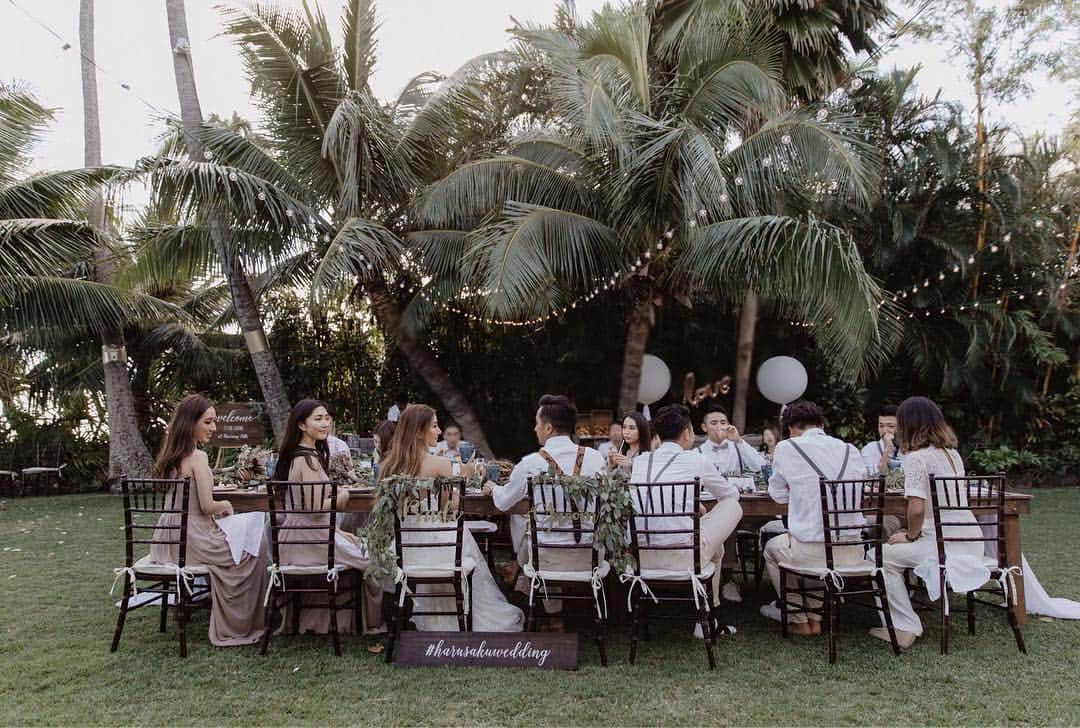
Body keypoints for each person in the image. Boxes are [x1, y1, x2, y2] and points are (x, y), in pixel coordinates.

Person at [382, 404, 523, 632]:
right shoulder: (441, 464)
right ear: (419, 431)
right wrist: (467, 475)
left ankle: (428, 618)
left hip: (406, 549)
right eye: (435, 426)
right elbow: (452, 507)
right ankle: (462, 617)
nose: (438, 432)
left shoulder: (389, 466)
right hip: (444, 546)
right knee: (463, 541)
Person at [148, 394, 268, 646]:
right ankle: (241, 621)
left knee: (245, 537)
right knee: (255, 544)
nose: (213, 428)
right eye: (208, 422)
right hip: (193, 540)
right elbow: (207, 506)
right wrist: (225, 505)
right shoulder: (197, 458)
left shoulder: (171, 455)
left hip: (166, 540)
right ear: (190, 423)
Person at [874, 396, 984, 649]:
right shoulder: (952, 454)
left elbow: (916, 508)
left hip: (943, 545)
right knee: (891, 552)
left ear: (908, 424)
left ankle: (905, 626)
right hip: (971, 541)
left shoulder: (917, 458)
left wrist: (910, 535)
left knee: (878, 557)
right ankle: (906, 616)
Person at [273, 399, 384, 644]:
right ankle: (372, 623)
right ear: (302, 425)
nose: (325, 423)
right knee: (376, 558)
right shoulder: (307, 459)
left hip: (303, 536)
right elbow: (314, 509)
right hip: (309, 539)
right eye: (318, 418)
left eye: (326, 417)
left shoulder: (304, 454)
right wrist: (341, 497)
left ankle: (335, 619)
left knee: (362, 542)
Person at [486, 395, 606, 613]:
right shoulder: (596, 458)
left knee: (530, 528)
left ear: (548, 428)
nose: (534, 428)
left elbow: (503, 502)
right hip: (589, 553)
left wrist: (492, 488)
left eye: (537, 423)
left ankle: (551, 612)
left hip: (547, 556)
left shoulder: (531, 463)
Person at [628, 404, 743, 631]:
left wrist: (692, 506)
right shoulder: (695, 460)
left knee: (715, 549)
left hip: (642, 555)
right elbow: (730, 495)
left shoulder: (640, 461)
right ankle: (708, 619)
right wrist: (703, 512)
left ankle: (710, 618)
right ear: (688, 433)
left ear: (658, 435)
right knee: (732, 506)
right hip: (686, 555)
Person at [759, 401, 867, 635]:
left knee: (775, 547)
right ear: (822, 425)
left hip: (813, 552)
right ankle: (816, 617)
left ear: (790, 429)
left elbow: (777, 495)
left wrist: (800, 493)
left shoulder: (787, 448)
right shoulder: (850, 449)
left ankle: (798, 618)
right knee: (812, 541)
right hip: (855, 551)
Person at [695, 405, 768, 474]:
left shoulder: (738, 447)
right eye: (714, 423)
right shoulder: (697, 452)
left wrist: (739, 440)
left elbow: (761, 466)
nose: (719, 426)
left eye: (723, 423)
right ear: (704, 427)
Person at [861, 405, 903, 475]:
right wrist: (887, 450)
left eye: (891, 426)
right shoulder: (870, 449)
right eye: (881, 426)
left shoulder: (909, 448)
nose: (884, 431)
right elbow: (874, 478)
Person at [325, 403, 353, 470]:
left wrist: (346, 465)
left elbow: (350, 471)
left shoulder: (340, 445)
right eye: (318, 419)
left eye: (328, 421)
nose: (324, 425)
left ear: (333, 424)